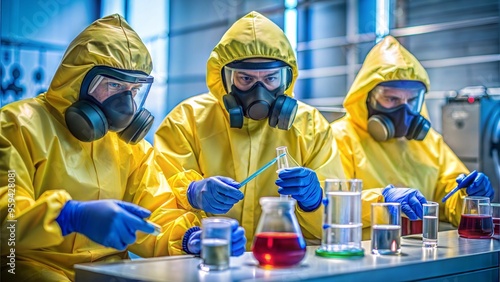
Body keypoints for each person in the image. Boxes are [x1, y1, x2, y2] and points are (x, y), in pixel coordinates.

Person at [0, 14, 245, 281]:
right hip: (27, 264)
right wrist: (69, 216)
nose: (127, 104)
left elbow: (155, 210)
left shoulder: (128, 146)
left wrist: (190, 238)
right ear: (78, 81)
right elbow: (7, 218)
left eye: (134, 89)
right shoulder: (17, 126)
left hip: (108, 270)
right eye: (114, 85)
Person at [154, 11, 345, 249]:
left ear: (287, 79)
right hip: (211, 262)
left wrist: (315, 202)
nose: (259, 91)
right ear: (224, 79)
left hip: (283, 263)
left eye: (270, 79)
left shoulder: (310, 125)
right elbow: (156, 203)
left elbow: (339, 220)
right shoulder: (186, 121)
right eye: (245, 79)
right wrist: (191, 194)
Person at [330, 35, 494, 239]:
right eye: (392, 99)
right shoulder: (340, 137)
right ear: (367, 98)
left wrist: (469, 197)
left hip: (420, 254)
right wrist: (383, 201)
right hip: (366, 253)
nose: (404, 110)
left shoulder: (428, 141)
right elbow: (333, 205)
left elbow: (448, 199)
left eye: (413, 100)